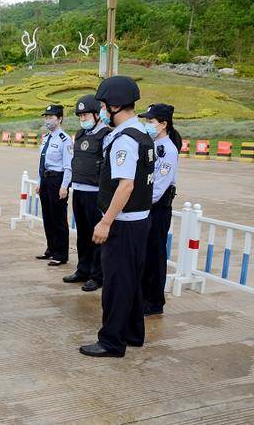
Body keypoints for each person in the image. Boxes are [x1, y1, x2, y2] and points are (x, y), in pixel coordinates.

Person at [79, 76, 155, 358]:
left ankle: (111, 341)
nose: (100, 110)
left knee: (115, 284)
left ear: (114, 105)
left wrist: (105, 221)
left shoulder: (124, 140)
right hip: (140, 221)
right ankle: (134, 333)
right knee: (131, 280)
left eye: (102, 105)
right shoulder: (142, 134)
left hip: (123, 224)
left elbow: (126, 185)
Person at [63, 95, 110, 292]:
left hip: (95, 193)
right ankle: (82, 269)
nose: (83, 118)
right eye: (80, 115)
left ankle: (97, 275)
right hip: (79, 190)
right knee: (82, 234)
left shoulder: (106, 135)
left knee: (95, 236)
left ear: (97, 114)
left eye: (86, 114)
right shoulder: (80, 134)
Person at [139, 103, 181, 316]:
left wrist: (139, 203)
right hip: (148, 207)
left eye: (151, 121)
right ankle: (144, 295)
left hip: (157, 209)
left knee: (155, 255)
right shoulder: (153, 145)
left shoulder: (168, 150)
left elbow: (158, 187)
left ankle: (154, 301)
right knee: (145, 254)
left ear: (163, 124)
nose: (147, 125)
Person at [35, 104, 73, 266]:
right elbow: (42, 163)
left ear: (60, 119)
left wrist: (64, 186)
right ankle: (51, 248)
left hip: (58, 181)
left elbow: (68, 166)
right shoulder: (46, 138)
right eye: (46, 117)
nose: (48, 120)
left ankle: (61, 254)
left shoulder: (64, 139)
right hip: (46, 180)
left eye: (51, 117)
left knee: (58, 218)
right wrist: (39, 182)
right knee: (48, 217)